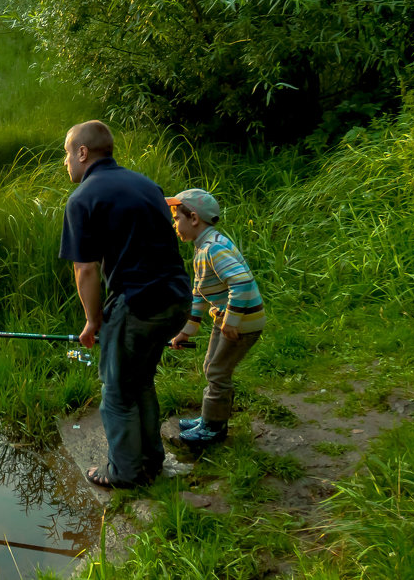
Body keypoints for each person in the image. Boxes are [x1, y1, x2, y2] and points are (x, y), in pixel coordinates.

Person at [59, 120, 191, 489]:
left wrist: (93, 320)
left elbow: (85, 270)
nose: (66, 162)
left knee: (116, 392)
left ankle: (124, 473)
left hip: (139, 305)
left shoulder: (82, 198)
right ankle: (151, 461)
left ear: (83, 153)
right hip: (177, 300)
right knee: (141, 381)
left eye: (67, 154)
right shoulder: (147, 185)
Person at [165, 188, 265, 447]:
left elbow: (241, 283)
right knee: (211, 366)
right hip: (226, 318)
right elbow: (198, 294)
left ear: (194, 218)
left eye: (177, 218)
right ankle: (209, 418)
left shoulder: (212, 249)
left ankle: (214, 428)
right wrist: (187, 330)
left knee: (218, 372)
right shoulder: (203, 248)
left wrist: (232, 322)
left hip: (241, 321)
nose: (174, 224)